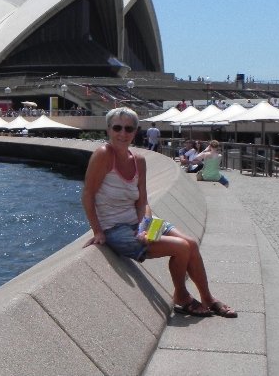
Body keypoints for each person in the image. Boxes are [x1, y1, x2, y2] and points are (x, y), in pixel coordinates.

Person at [81, 107, 237, 318]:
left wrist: (144, 227)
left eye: (128, 129)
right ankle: (182, 296)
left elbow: (143, 201)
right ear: (108, 129)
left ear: (136, 132)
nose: (122, 133)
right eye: (117, 128)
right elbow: (88, 194)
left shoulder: (139, 160)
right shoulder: (103, 154)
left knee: (191, 243)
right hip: (116, 229)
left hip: (139, 221)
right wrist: (97, 231)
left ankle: (207, 298)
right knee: (181, 247)